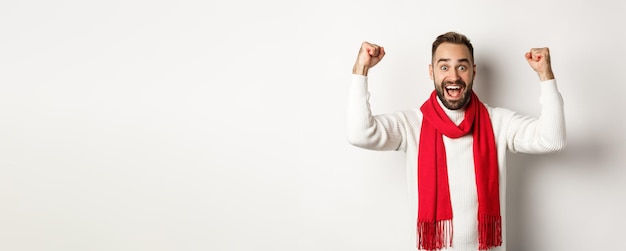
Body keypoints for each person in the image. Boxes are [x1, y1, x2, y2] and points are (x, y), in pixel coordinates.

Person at [346, 32, 566, 251]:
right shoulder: (412, 124)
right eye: (444, 67)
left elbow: (551, 140)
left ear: (473, 72)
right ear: (431, 72)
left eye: (462, 67)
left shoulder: (498, 122)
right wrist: (361, 70)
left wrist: (546, 76)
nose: (453, 76)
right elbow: (360, 134)